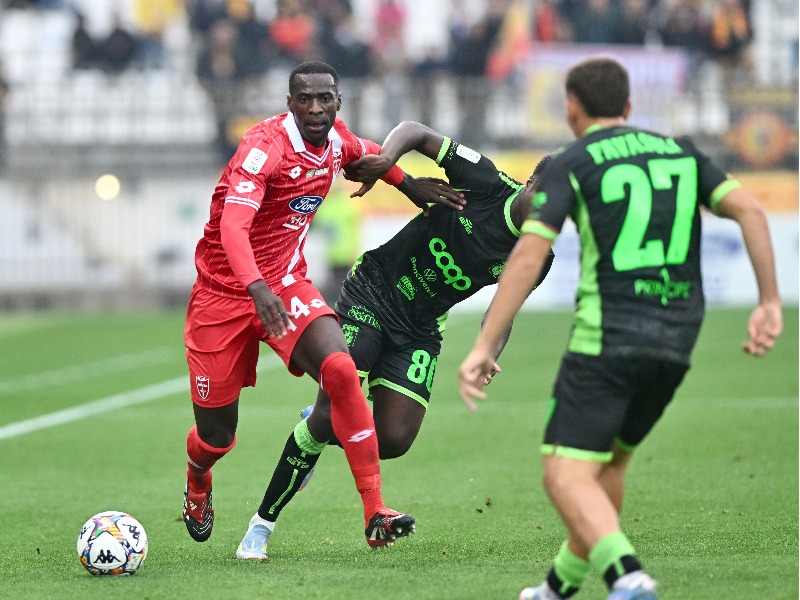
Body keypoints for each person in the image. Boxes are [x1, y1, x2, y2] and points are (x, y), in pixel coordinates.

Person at [458, 56, 783, 600]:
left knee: (564, 474)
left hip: (607, 337)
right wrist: (768, 300)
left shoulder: (574, 161)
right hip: (678, 336)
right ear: (629, 106)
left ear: (571, 109)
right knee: (608, 464)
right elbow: (751, 211)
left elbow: (529, 253)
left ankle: (627, 576)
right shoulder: (681, 153)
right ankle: (559, 586)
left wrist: (485, 343)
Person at [235, 120, 555, 560]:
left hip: (420, 328)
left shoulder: (539, 254)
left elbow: (503, 311)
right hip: (374, 291)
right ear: (531, 182)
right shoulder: (485, 180)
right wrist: (386, 160)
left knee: (394, 439)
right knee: (332, 411)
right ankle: (261, 526)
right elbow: (415, 131)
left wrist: (487, 352)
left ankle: (321, 425)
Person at [182, 61, 465, 553]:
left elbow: (367, 152)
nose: (316, 108)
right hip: (223, 295)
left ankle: (375, 510)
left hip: (285, 284)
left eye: (325, 99)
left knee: (340, 369)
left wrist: (408, 183)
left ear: (338, 102)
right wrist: (255, 287)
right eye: (305, 99)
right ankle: (198, 478)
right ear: (289, 103)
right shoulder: (263, 148)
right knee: (216, 438)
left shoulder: (335, 141)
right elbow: (232, 227)